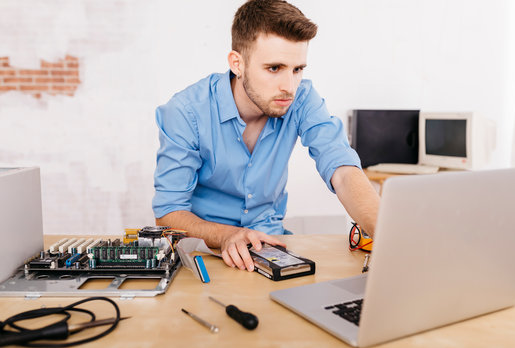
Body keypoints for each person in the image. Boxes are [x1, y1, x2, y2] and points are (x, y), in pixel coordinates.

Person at [153, 0, 380, 272]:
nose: (289, 87)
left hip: (273, 246)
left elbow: (342, 170)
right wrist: (227, 235)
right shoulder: (186, 112)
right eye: (274, 68)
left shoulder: (303, 98)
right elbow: (168, 215)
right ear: (237, 63)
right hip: (206, 253)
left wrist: (390, 236)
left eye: (297, 69)